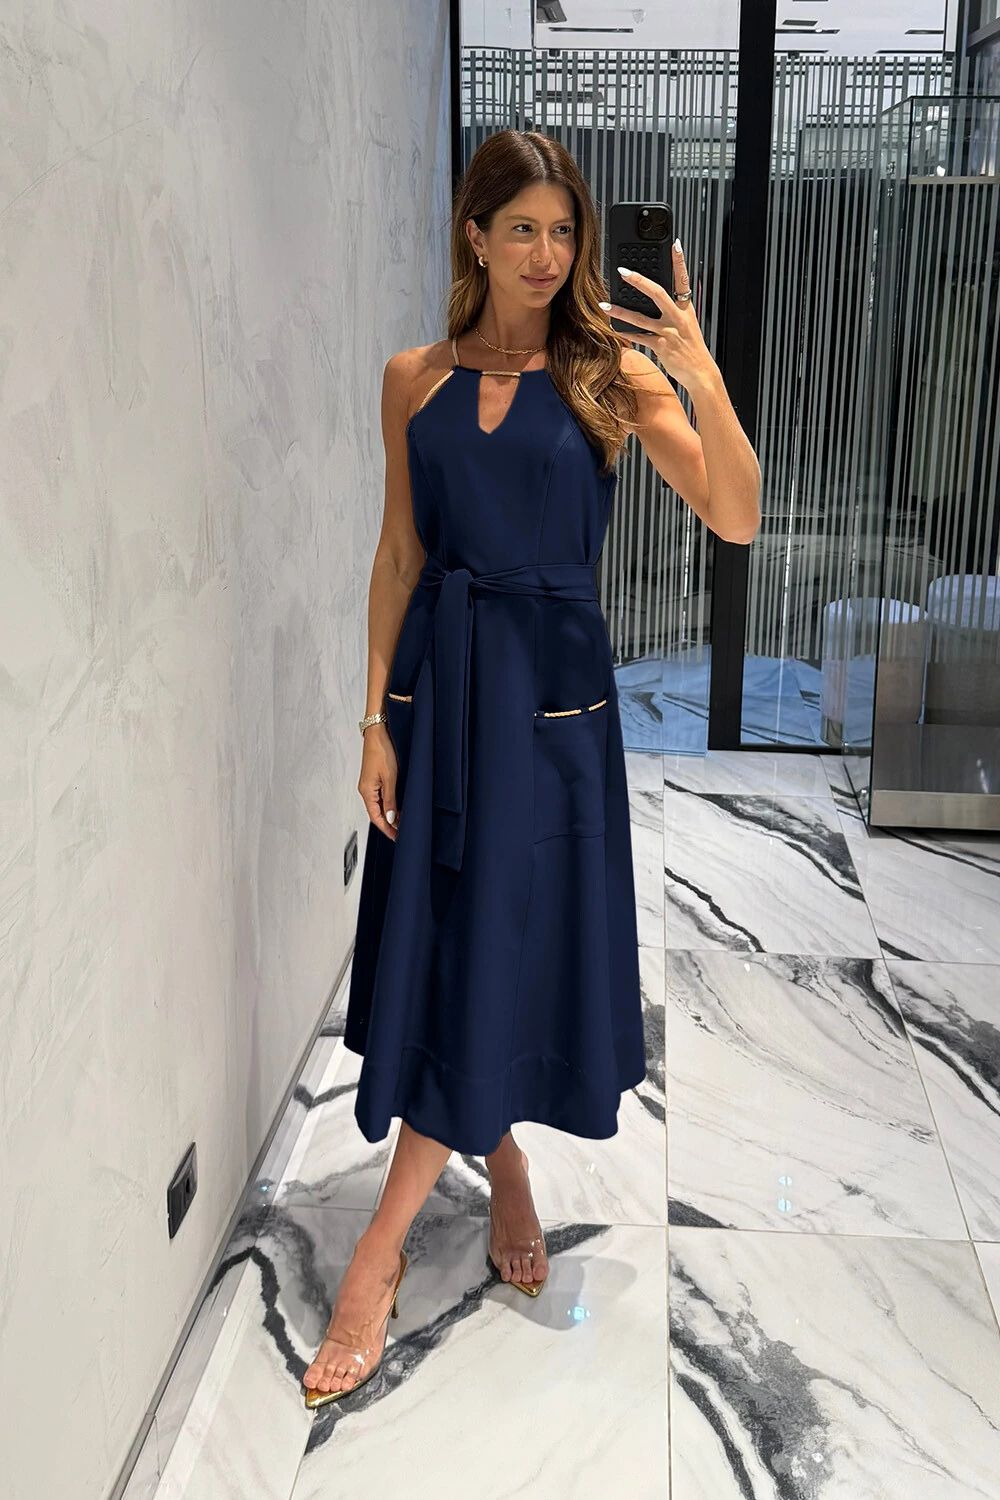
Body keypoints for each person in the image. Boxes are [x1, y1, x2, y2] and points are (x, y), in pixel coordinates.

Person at [303, 129, 761, 1408]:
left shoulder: (608, 373)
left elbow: (734, 513)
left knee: (499, 936)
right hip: (438, 691)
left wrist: (698, 372)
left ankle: (379, 1252)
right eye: (522, 230)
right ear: (475, 234)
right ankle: (499, 1162)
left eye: (564, 232)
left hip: (552, 711)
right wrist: (373, 719)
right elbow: (399, 555)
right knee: (454, 938)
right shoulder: (411, 379)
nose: (547, 255)